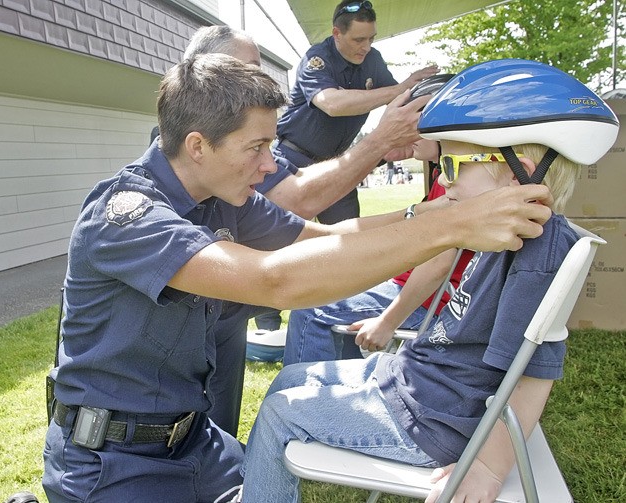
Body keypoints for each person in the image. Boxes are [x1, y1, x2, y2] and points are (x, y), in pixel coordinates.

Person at [240, 59, 619, 503]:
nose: (443, 180)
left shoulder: (538, 252)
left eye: (455, 167)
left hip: (434, 420)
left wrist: (485, 467)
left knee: (280, 412)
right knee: (291, 380)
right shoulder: (505, 235)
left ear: (523, 171)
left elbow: (532, 377)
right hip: (414, 381)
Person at [174, 25, 440, 435]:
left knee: (220, 440)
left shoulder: (229, 189)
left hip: (221, 328)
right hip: (130, 448)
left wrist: (423, 216)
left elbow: (314, 235)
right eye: (257, 150)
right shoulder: (144, 207)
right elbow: (279, 275)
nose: (268, 164)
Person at [284, 139, 475, 365]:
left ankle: (305, 395)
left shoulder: (454, 181)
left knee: (310, 309)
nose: (412, 134)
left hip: (432, 300)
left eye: (422, 128)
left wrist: (387, 322)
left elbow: (438, 265)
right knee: (324, 293)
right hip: (414, 287)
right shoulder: (444, 176)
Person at [274, 1, 438, 225]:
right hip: (294, 160)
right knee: (281, 237)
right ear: (336, 33)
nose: (367, 47)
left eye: (371, 38)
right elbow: (331, 103)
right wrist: (401, 88)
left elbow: (399, 99)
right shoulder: (318, 58)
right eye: (359, 39)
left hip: (340, 163)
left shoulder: (373, 60)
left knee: (348, 235)